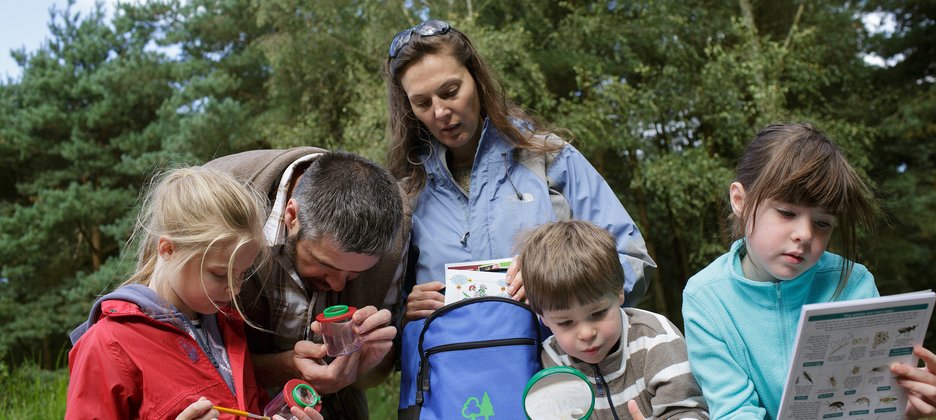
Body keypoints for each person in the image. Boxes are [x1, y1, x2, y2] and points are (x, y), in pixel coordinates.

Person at [383, 19, 656, 405]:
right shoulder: (403, 193)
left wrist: (556, 282)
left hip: (560, 388)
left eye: (451, 91)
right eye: (423, 103)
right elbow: (376, 319)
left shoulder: (550, 159)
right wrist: (404, 310)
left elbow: (631, 259)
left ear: (476, 78)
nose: (441, 111)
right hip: (448, 397)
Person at [682, 123, 936, 419]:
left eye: (822, 223)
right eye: (786, 212)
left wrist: (902, 407)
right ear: (740, 201)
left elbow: (869, 398)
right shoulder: (705, 297)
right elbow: (734, 410)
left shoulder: (853, 283)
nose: (805, 235)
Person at [66, 166, 322, 420]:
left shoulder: (228, 327)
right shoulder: (108, 343)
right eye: (219, 274)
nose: (235, 289)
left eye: (242, 274)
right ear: (167, 249)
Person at [205, 148, 408, 418]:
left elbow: (371, 378)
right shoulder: (215, 196)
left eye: (354, 275)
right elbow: (182, 354)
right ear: (292, 216)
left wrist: (363, 364)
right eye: (327, 265)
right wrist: (285, 366)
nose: (338, 286)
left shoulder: (395, 234)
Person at [515, 220, 709, 419]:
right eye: (565, 323)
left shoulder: (655, 339)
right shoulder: (551, 362)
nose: (586, 333)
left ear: (619, 293)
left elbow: (689, 411)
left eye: (597, 314)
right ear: (542, 316)